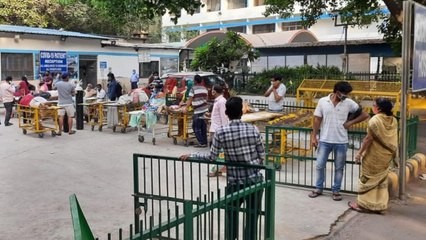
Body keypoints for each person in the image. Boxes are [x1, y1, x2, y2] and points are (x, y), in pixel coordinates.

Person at [180, 97, 265, 240]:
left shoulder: (221, 131)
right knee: (252, 215)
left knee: (231, 214)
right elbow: (262, 155)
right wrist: (250, 162)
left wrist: (192, 155)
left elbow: (211, 157)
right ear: (241, 112)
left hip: (234, 183)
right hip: (254, 181)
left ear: (226, 113)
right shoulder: (253, 129)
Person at [309, 81, 369, 201]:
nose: (346, 96)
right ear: (337, 92)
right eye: (345, 93)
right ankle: (318, 188)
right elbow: (317, 120)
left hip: (341, 141)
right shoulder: (323, 101)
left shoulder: (349, 103)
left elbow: (365, 115)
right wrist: (313, 136)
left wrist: (350, 123)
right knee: (320, 165)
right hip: (325, 140)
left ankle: (336, 191)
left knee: (339, 167)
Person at [348, 98, 397, 213]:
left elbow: (369, 139)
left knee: (367, 179)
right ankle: (379, 205)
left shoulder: (375, 120)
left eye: (374, 105)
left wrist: (359, 153)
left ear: (379, 108)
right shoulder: (393, 120)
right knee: (381, 179)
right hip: (386, 156)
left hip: (374, 155)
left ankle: (364, 204)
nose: (372, 107)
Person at [207, 84, 229, 177]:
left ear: (214, 91)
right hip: (215, 128)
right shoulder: (218, 101)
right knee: (217, 150)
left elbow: (224, 117)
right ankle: (219, 169)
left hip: (219, 130)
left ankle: (215, 169)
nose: (211, 91)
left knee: (217, 151)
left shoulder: (221, 102)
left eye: (212, 90)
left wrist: (224, 131)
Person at [184, 74, 208, 147]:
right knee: (203, 127)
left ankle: (201, 142)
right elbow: (206, 99)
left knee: (196, 127)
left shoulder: (193, 89)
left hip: (197, 111)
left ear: (195, 81)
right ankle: (205, 142)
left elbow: (190, 99)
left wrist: (186, 108)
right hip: (205, 109)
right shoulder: (204, 88)